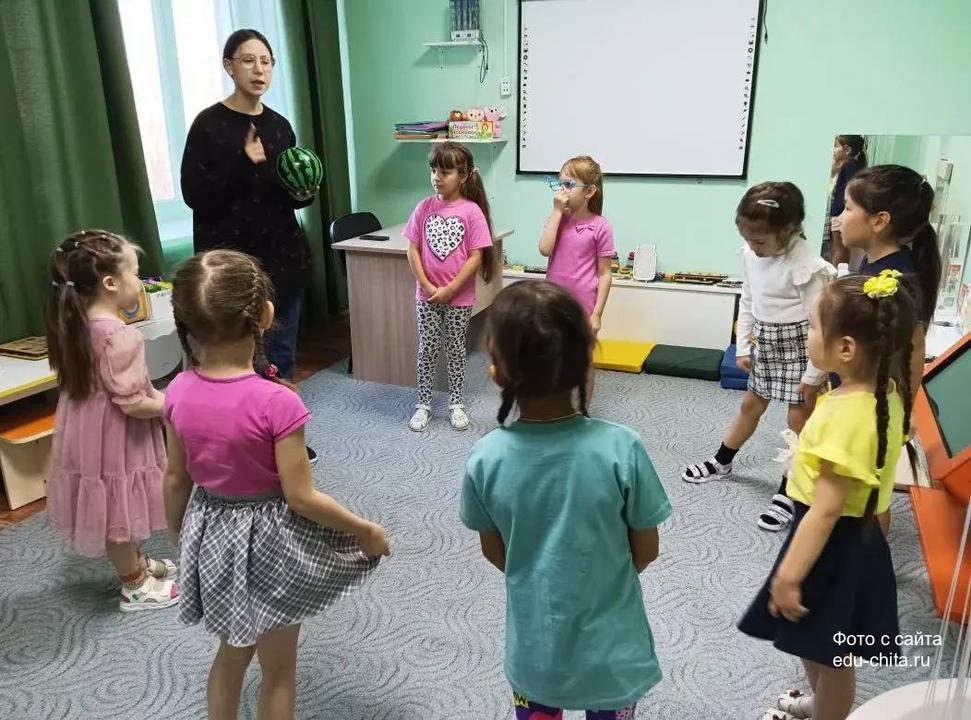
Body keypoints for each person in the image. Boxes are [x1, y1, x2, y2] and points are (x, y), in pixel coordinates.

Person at [163, 250, 389, 720]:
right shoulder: (277, 404)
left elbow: (175, 477)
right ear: (266, 314)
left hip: (212, 537)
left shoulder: (178, 390)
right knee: (279, 668)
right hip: (270, 545)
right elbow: (301, 497)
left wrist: (179, 537)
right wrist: (363, 529)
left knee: (230, 654)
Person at [461, 280, 671, 719]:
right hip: (614, 654)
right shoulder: (622, 448)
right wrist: (599, 578)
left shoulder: (485, 457)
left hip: (535, 650)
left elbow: (496, 552)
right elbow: (646, 549)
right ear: (585, 364)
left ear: (497, 371)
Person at [738, 272, 916, 720]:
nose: (808, 333)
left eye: (814, 326)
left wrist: (789, 575)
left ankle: (827, 712)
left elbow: (826, 509)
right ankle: (819, 705)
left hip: (834, 543)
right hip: (851, 537)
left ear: (846, 348)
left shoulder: (848, 416)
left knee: (832, 653)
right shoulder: (882, 392)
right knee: (814, 639)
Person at [180, 28, 319, 463]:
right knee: (236, 358)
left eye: (266, 61)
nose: (259, 69)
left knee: (281, 354)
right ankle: (243, 444)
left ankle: (282, 439)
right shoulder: (208, 125)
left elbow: (289, 193)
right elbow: (195, 195)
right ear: (229, 66)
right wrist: (244, 163)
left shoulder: (279, 126)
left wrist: (304, 191)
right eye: (248, 60)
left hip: (283, 256)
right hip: (231, 267)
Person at [681, 182, 835, 532]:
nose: (753, 246)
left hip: (803, 348)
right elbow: (749, 301)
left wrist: (814, 375)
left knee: (799, 421)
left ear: (790, 229)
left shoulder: (807, 266)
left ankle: (791, 489)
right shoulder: (752, 255)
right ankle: (723, 461)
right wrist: (744, 346)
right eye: (747, 239)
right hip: (766, 342)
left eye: (760, 241)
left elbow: (822, 327)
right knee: (750, 406)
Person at [44, 229, 177, 611]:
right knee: (119, 508)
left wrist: (168, 398)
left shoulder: (78, 324)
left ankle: (135, 565)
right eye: (135, 273)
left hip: (87, 432)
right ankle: (134, 585)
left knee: (115, 503)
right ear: (110, 283)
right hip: (115, 437)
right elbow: (133, 402)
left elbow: (134, 389)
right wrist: (174, 407)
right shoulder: (120, 335)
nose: (141, 282)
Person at [404, 141, 495, 432]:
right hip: (427, 297)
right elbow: (412, 249)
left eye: (445, 172)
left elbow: (475, 256)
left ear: (463, 175)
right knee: (427, 348)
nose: (437, 177)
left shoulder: (472, 212)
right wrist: (427, 285)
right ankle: (423, 403)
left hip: (459, 298)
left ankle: (456, 403)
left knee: (455, 348)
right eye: (434, 170)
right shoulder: (424, 207)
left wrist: (451, 289)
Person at [539, 155, 614, 335]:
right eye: (560, 184)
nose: (562, 191)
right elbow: (544, 249)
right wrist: (557, 212)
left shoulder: (600, 226)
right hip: (553, 304)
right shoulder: (556, 219)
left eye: (569, 185)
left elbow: (605, 274)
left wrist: (597, 314)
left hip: (583, 309)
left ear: (589, 191)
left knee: (580, 352)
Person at [826, 135, 867, 267]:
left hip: (840, 211)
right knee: (837, 247)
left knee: (839, 248)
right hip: (840, 210)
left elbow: (851, 190)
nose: (833, 150)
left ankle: (836, 274)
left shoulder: (849, 166)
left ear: (847, 149)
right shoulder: (851, 165)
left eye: (836, 146)